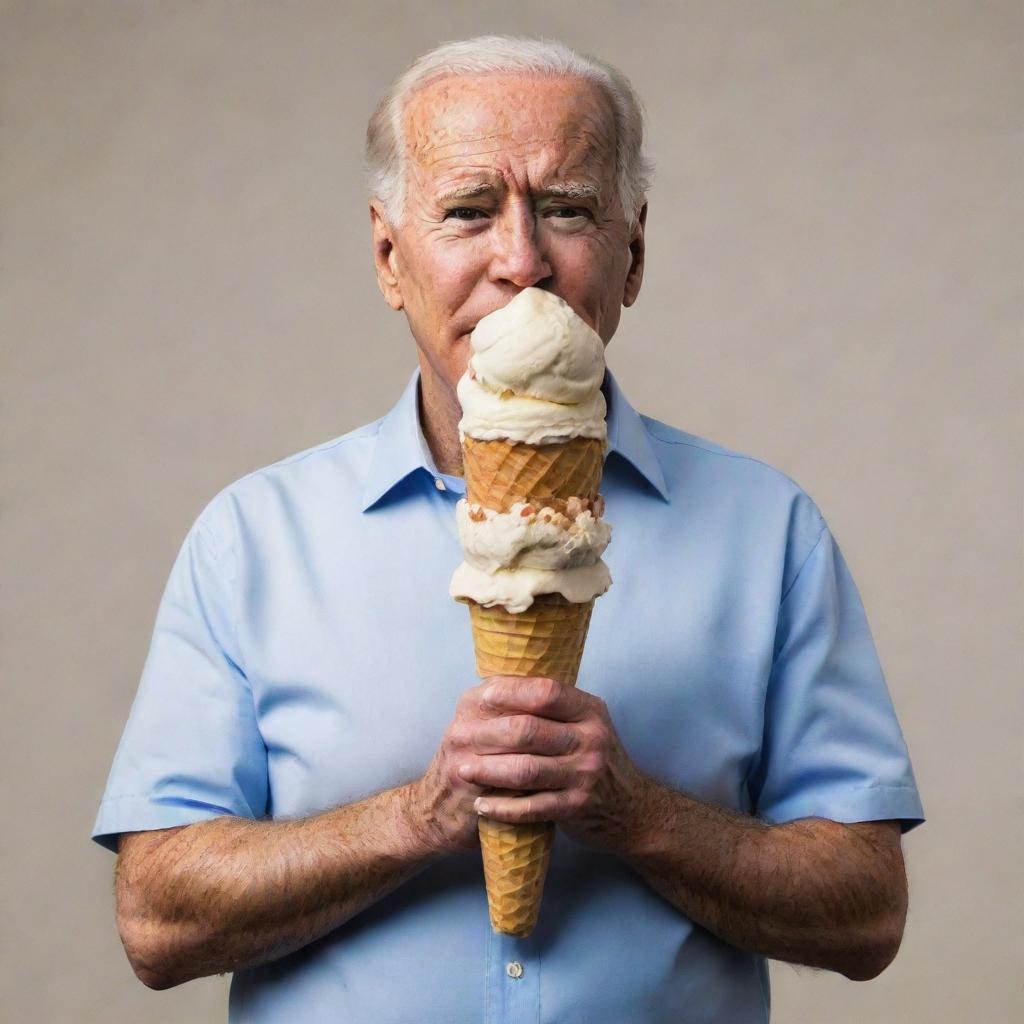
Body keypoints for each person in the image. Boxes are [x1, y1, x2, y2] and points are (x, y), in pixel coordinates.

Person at [94, 35, 924, 1024]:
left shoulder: (768, 531)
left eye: (567, 209)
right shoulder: (253, 540)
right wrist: (418, 816)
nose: (521, 261)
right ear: (388, 256)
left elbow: (867, 914)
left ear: (634, 255)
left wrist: (640, 815)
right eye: (467, 211)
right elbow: (156, 923)